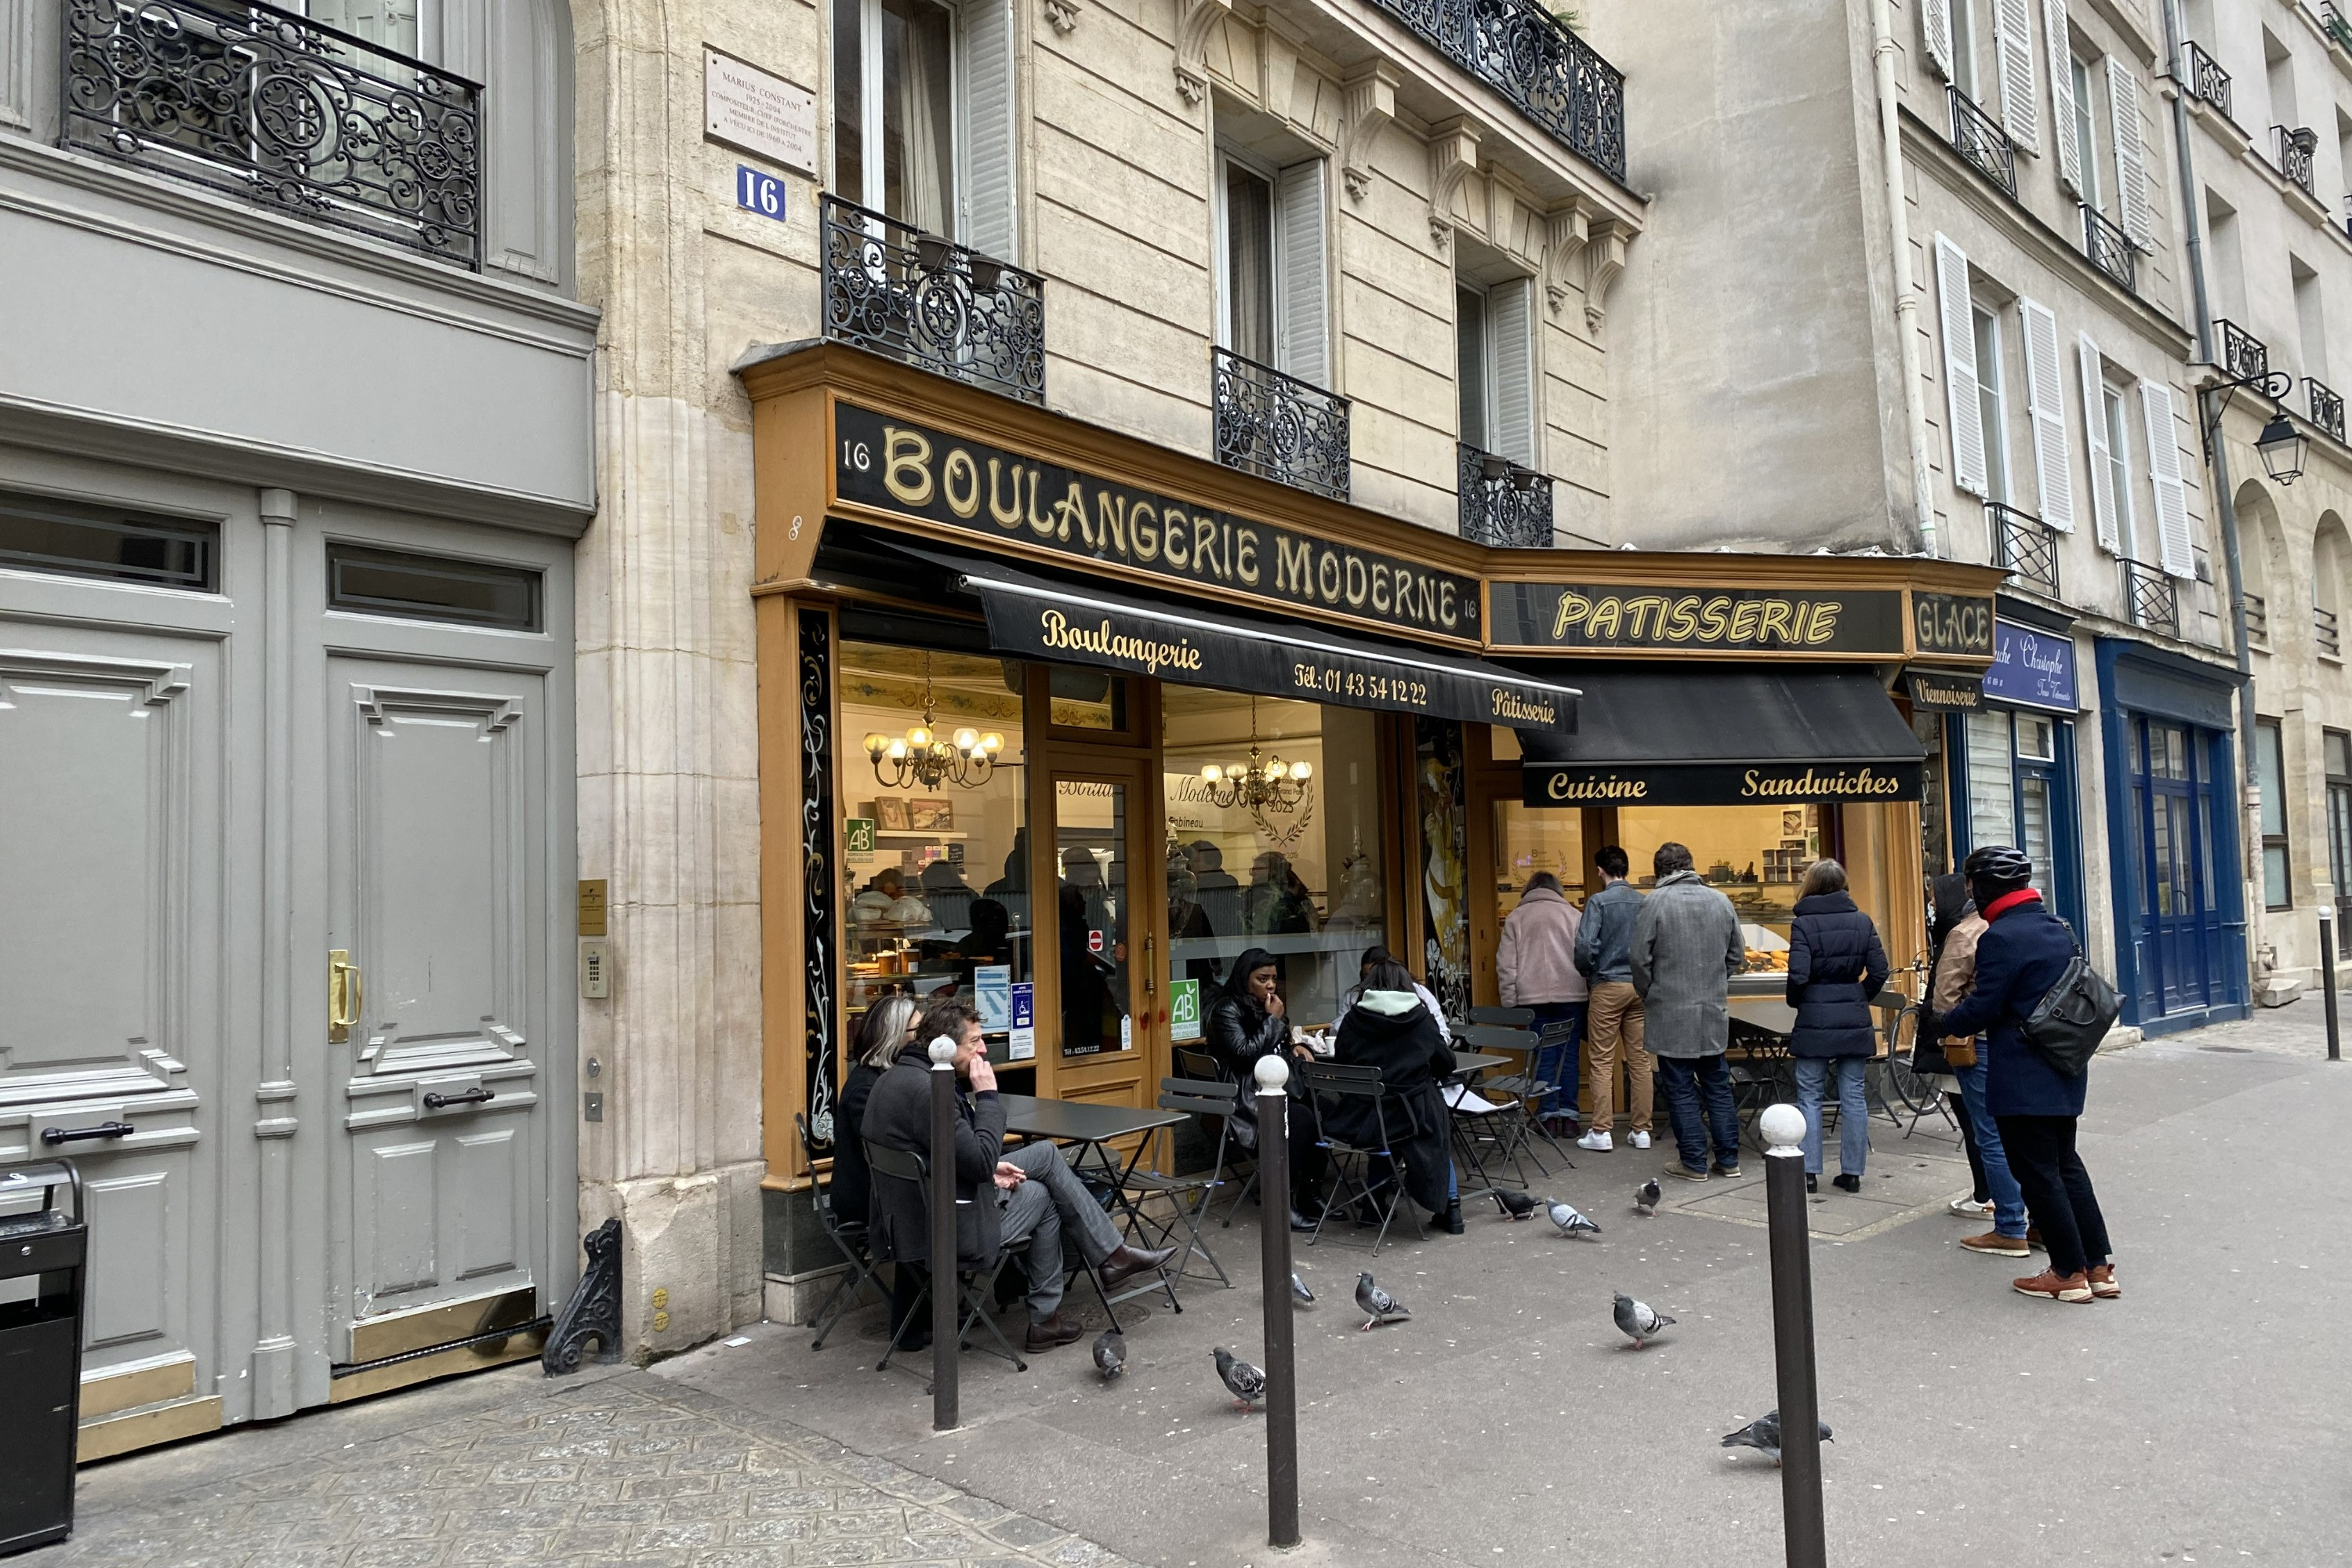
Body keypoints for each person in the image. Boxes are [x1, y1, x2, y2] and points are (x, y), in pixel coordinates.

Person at [862, 999, 1174, 1352]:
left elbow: (939, 1154)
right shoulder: (930, 1090)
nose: (983, 1049)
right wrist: (988, 1096)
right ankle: (1063, 1302)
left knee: (1043, 1158)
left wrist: (991, 1170)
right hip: (947, 1228)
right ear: (946, 1046)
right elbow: (978, 1160)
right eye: (974, 1042)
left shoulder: (894, 1079)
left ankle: (1102, 1268)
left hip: (909, 1219)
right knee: (1043, 1195)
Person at [1936, 844, 2117, 1305]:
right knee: (2067, 1165)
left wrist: (1947, 1022)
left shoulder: (2001, 937)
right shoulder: (2058, 926)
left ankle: (2066, 1274)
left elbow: (1986, 1005)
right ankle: (2098, 1266)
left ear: (1983, 886)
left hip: (2023, 1071)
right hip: (2064, 1063)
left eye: (1972, 883)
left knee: (2037, 1172)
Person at [1927, 878, 2033, 1257]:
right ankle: (2038, 1221)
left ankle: (2009, 1225)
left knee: (1990, 1134)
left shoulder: (1966, 933)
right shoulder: (2028, 926)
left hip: (1982, 1044)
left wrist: (1948, 1031)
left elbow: (1946, 998)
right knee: (2026, 1135)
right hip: (2029, 1043)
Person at [1630, 841, 1745, 1181]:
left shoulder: (1655, 902)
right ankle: (1728, 1160)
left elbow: (1638, 958)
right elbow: (1736, 955)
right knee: (1717, 1085)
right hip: (1711, 1009)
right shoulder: (1721, 901)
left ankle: (1694, 1162)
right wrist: (1714, 981)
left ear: (1659, 872)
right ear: (1691, 866)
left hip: (1670, 1010)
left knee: (1679, 1087)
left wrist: (1650, 991)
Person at [1330, 959, 1462, 1235]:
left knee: (1386, 1126)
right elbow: (1446, 1063)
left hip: (1364, 1118)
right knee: (1437, 1132)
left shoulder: (1353, 1020)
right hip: (1416, 1115)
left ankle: (1373, 1207)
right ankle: (1451, 1209)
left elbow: (1341, 1065)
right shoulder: (1420, 1018)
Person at [1784, 858, 1889, 1194]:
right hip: (1853, 1015)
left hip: (1815, 1016)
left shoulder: (1803, 924)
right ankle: (1853, 1173)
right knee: (1854, 1096)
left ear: (1811, 885)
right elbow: (1880, 971)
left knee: (1810, 1096)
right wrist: (1860, 995)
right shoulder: (1862, 920)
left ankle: (1809, 1172)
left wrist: (1799, 1001)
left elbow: (1798, 975)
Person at [1206, 947, 1324, 1229]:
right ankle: (1280, 1201)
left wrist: (1294, 1043)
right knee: (1302, 1119)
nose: (1270, 984)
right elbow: (1246, 1056)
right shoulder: (1226, 1010)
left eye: (1273, 978)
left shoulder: (1264, 1007)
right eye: (1262, 978)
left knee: (1322, 1110)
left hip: (1272, 1093)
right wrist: (1273, 1020)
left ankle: (1310, 1190)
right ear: (1245, 978)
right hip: (1242, 1102)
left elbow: (1275, 1046)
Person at [1495, 871, 1590, 1145]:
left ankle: (1547, 1115)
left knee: (1544, 1056)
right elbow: (1584, 956)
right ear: (1557, 889)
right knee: (1569, 1055)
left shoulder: (1516, 918)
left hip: (1532, 999)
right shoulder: (1573, 915)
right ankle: (1570, 1118)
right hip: (1571, 996)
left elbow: (1506, 965)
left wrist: (1510, 1001)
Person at [1576, 845, 1654, 1152]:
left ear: (1600, 871)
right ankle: (1642, 1130)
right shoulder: (1642, 902)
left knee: (1601, 1060)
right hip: (1638, 988)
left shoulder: (1598, 902)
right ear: (1627, 869)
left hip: (1607, 986)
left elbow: (1584, 947)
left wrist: (1590, 974)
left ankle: (1601, 1130)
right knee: (1640, 1060)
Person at [1331, 945, 1451, 1044]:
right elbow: (1336, 1030)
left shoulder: (1419, 993)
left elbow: (1442, 1034)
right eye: (1365, 976)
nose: (1370, 981)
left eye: (1375, 976)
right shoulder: (1354, 995)